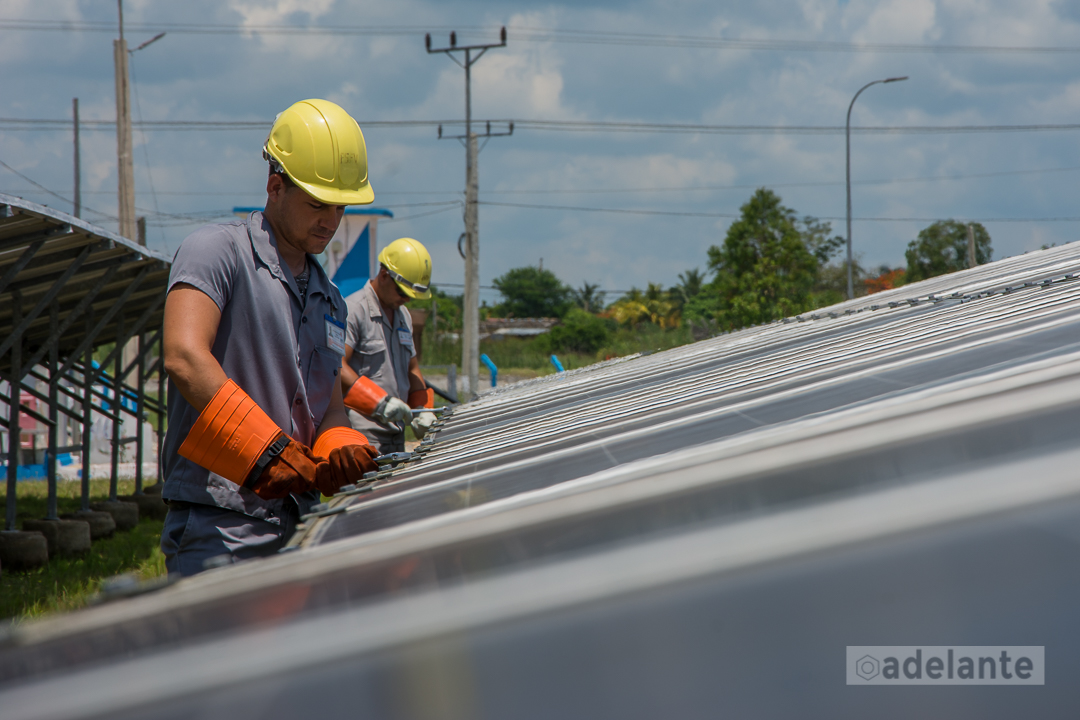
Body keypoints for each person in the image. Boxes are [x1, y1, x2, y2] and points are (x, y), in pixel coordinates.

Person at [160, 99, 380, 576]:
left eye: (341, 206)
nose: (331, 220)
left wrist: (339, 446)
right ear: (274, 186)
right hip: (220, 526)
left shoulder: (331, 298)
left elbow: (328, 404)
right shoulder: (216, 252)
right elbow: (183, 355)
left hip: (300, 524)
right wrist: (266, 451)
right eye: (318, 204)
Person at [339, 238, 438, 453]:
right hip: (363, 437)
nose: (407, 300)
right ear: (384, 275)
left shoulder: (403, 316)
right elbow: (337, 367)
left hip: (396, 433)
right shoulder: (354, 310)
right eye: (403, 293)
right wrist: (380, 403)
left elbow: (412, 368)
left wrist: (423, 408)